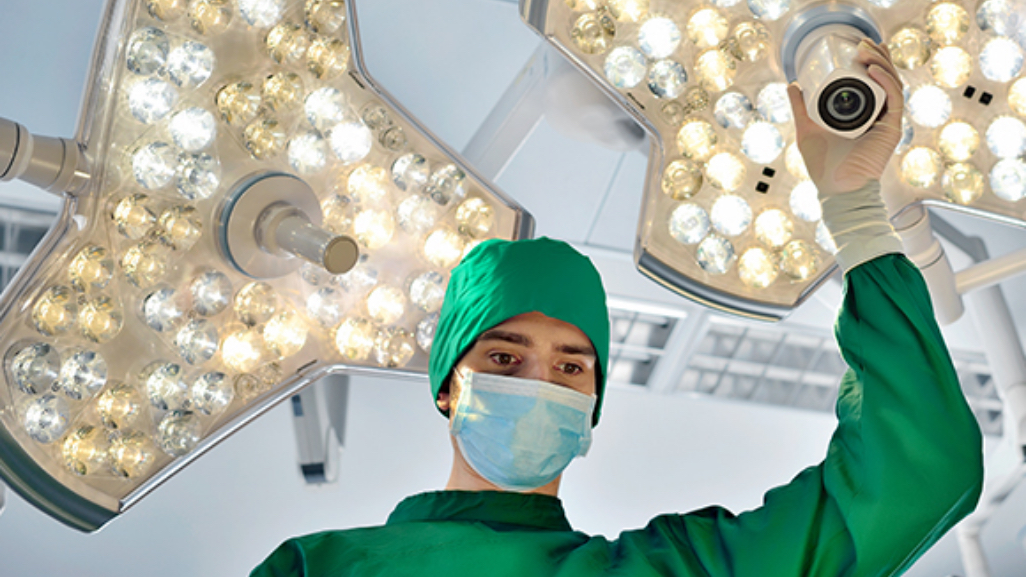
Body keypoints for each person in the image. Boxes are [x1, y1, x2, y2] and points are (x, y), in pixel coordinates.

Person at [252, 40, 984, 576]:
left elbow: (919, 474)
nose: (539, 384)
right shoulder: (321, 570)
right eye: (504, 357)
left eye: (571, 368)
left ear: (592, 410)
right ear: (448, 385)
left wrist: (856, 214)